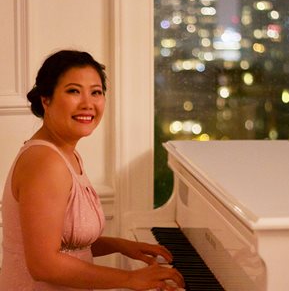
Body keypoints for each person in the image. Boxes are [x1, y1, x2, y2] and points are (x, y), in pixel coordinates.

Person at [0, 50, 185, 290]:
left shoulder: (64, 152)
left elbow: (64, 243)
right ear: (46, 99)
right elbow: (43, 265)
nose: (88, 104)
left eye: (96, 92)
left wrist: (119, 245)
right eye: (73, 91)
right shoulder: (46, 163)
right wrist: (130, 279)